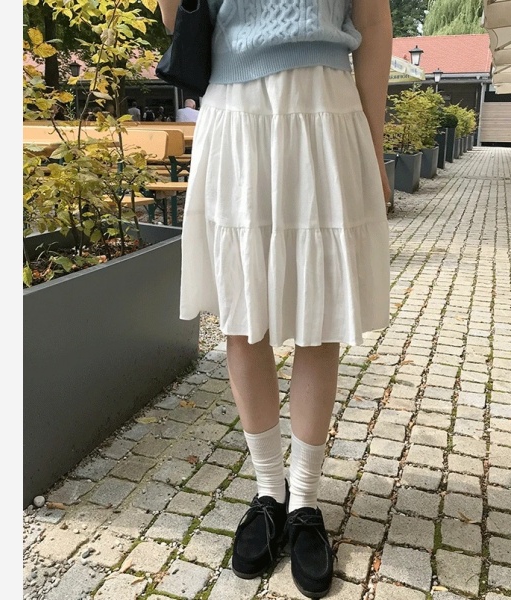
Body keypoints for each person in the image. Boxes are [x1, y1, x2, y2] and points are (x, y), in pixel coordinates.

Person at [157, 1, 392, 597]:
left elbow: (373, 21)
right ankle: (269, 491)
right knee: (241, 316)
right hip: (234, 111)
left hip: (326, 105)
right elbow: (174, 19)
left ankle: (305, 500)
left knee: (320, 316)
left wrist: (374, 143)